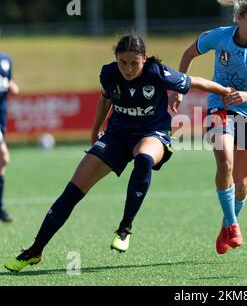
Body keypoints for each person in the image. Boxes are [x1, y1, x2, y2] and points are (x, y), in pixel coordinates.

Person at [4, 34, 232, 272]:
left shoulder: (157, 73)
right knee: (72, 191)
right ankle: (35, 250)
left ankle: (124, 229)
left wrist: (225, 91)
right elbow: (105, 98)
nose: (129, 69)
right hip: (116, 136)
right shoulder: (109, 73)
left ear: (144, 59)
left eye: (135, 63)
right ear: (116, 59)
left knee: (143, 159)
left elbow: (195, 82)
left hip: (152, 132)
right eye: (123, 62)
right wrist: (95, 129)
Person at [170, 0, 247, 254]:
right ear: (238, 19)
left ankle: (225, 225)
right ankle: (232, 224)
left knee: (241, 183)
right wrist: (178, 88)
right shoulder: (220, 37)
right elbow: (189, 53)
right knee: (225, 162)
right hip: (218, 106)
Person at [0, 53, 20, 223]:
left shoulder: (6, 60)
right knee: (3, 158)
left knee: (2, 161)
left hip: (1, 118)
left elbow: (9, 81)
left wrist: (11, 85)